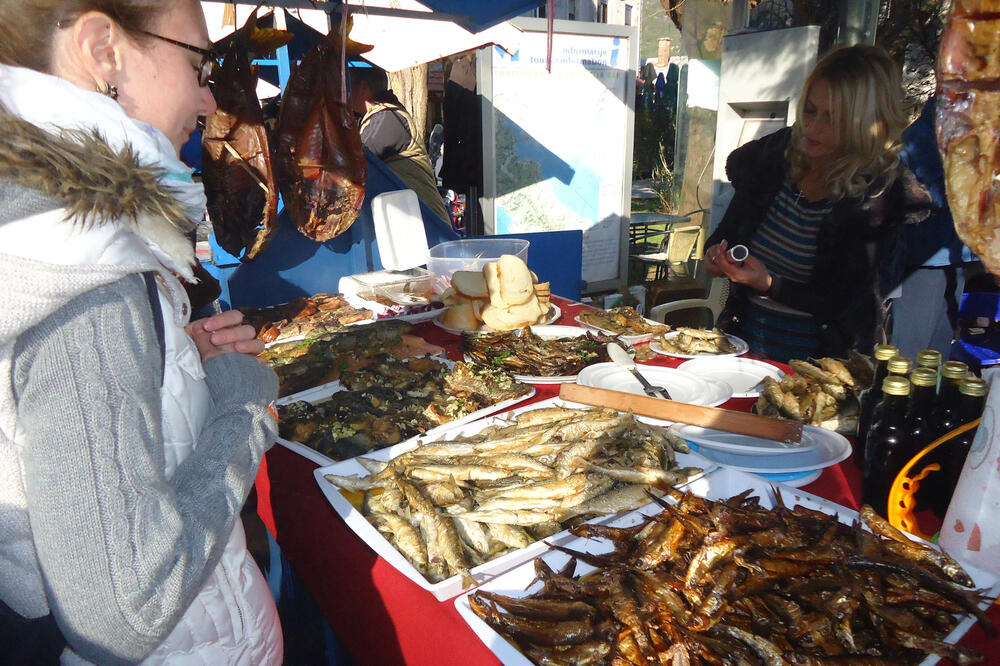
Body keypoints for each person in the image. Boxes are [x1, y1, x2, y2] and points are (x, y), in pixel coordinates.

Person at [0, 1, 282, 663]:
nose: (210, 98)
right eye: (196, 64)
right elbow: (124, 611)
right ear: (104, 51)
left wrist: (172, 363)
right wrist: (243, 410)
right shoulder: (80, 261)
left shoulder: (52, 228)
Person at [704, 45, 931, 361]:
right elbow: (725, 235)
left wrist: (768, 282)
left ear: (868, 125)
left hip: (822, 369)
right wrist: (716, 257)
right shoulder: (774, 157)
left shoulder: (880, 193)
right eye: (810, 110)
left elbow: (847, 301)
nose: (812, 128)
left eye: (833, 119)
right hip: (741, 347)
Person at [889, 95, 980, 358]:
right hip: (922, 267)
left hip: (953, 259)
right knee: (909, 358)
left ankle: (927, 400)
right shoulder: (921, 137)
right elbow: (939, 193)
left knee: (937, 356)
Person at [348, 65, 451, 223]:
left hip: (430, 226)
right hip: (412, 221)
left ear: (363, 87)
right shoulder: (372, 117)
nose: (345, 92)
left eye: (349, 84)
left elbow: (355, 161)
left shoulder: (388, 117)